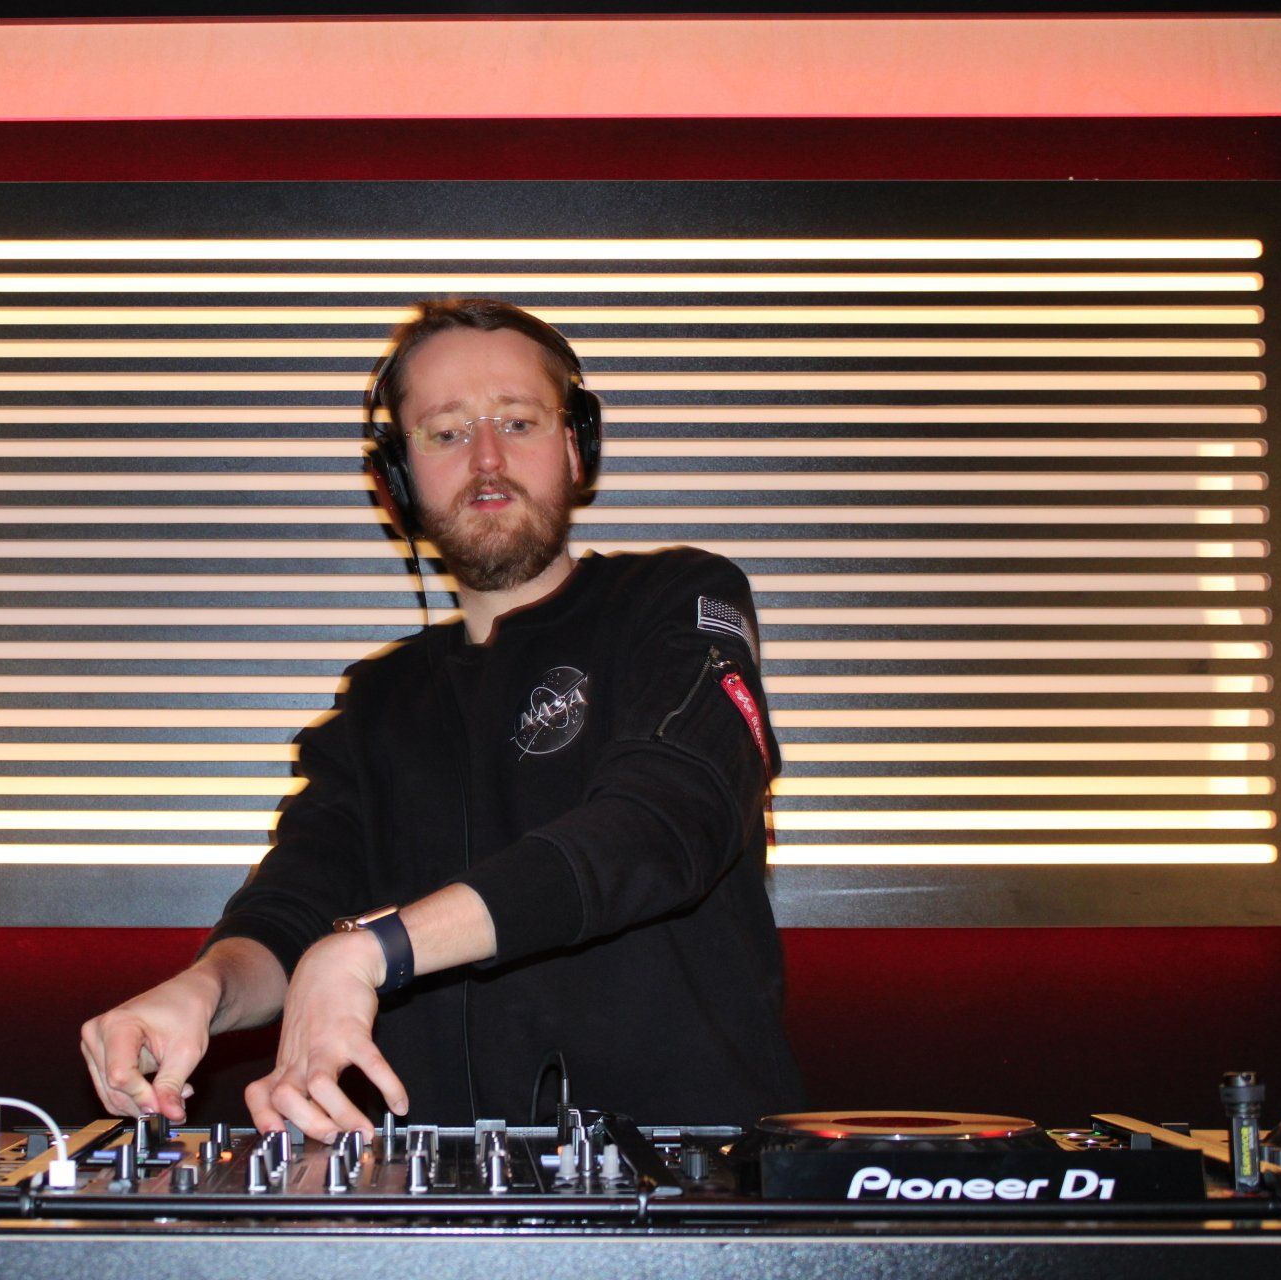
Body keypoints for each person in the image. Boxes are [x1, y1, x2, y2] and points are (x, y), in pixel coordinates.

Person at [80, 298, 803, 1140]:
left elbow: (665, 821)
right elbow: (294, 908)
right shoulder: (376, 702)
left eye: (518, 422)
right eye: (447, 433)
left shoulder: (678, 600)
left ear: (577, 447)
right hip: (423, 1192)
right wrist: (202, 991)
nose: (487, 459)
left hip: (690, 1174)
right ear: (397, 480)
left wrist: (376, 949)